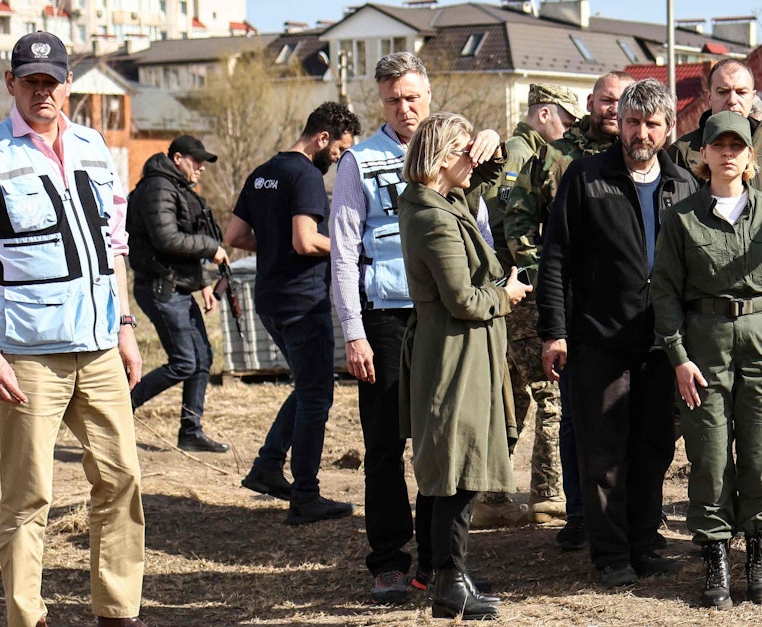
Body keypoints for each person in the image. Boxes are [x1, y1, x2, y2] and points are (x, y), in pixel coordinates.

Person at [0, 31, 148, 627]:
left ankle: (117, 613)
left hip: (101, 347)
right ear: (11, 84)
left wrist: (127, 327)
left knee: (122, 481)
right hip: (28, 355)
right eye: (29, 82)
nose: (41, 92)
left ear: (68, 85)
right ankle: (26, 618)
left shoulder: (94, 147)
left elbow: (115, 247)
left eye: (51, 81)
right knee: (30, 497)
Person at [326, 52, 504, 603]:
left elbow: (480, 229)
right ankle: (387, 559)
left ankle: (437, 565)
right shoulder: (361, 161)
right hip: (386, 317)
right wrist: (353, 331)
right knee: (385, 444)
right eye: (392, 99)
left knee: (443, 444)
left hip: (447, 317)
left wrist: (492, 137)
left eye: (412, 98)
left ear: (428, 96)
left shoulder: (457, 151)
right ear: (379, 102)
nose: (404, 108)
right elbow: (343, 251)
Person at [536, 79, 697, 587]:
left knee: (653, 447)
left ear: (668, 129)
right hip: (596, 339)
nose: (641, 133)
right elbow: (555, 258)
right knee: (603, 450)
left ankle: (644, 544)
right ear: (619, 125)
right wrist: (554, 331)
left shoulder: (684, 184)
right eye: (633, 123)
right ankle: (609, 555)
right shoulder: (585, 177)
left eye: (652, 124)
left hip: (660, 342)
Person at [667, 58, 762, 559]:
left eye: (741, 91)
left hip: (761, 318)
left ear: (753, 94)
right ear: (707, 95)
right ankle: (713, 540)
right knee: (708, 443)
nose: (732, 99)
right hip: (704, 317)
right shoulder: (681, 153)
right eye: (722, 90)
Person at [652, 112, 762, 608]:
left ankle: (758, 554)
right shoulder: (681, 218)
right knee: (710, 457)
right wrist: (677, 355)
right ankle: (716, 556)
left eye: (736, 146)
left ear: (749, 157)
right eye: (717, 146)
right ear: (703, 156)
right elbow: (666, 293)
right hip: (704, 344)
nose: (727, 154)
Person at [399, 112, 529, 621]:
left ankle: (439, 572)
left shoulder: (441, 200)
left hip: (460, 349)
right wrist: (507, 294)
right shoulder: (433, 216)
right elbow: (462, 299)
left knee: (446, 467)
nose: (472, 163)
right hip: (455, 351)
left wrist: (492, 146)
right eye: (465, 151)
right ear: (441, 156)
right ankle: (450, 583)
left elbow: (489, 182)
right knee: (457, 469)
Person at [224, 101, 361, 527]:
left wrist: (276, 246)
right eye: (337, 152)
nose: (336, 160)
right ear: (322, 138)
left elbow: (235, 236)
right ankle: (305, 496)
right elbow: (305, 241)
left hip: (270, 299)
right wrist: (350, 249)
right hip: (303, 302)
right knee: (317, 396)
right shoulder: (305, 176)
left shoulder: (263, 171)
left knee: (306, 387)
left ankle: (267, 466)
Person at [521, 70, 637, 552]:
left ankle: (625, 514)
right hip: (572, 310)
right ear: (590, 102)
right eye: (607, 101)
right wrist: (550, 288)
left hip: (623, 311)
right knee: (574, 418)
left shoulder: (644, 156)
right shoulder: (555, 155)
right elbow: (523, 222)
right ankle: (578, 513)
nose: (614, 110)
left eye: (623, 103)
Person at [497, 82, 581, 526]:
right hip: (522, 290)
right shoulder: (522, 153)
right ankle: (548, 494)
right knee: (552, 392)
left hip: (512, 289)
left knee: (512, 394)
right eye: (565, 122)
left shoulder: (526, 151)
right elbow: (513, 225)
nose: (567, 131)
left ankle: (491, 494)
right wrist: (542, 276)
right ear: (545, 113)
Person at [126, 134, 230, 453]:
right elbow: (168, 240)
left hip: (178, 286)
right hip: (161, 288)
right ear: (176, 159)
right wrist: (211, 248)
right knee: (185, 361)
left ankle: (190, 432)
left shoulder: (175, 188)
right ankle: (118, 410)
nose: (200, 167)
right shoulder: (158, 188)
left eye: (203, 161)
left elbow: (179, 244)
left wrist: (201, 285)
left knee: (202, 359)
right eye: (195, 160)